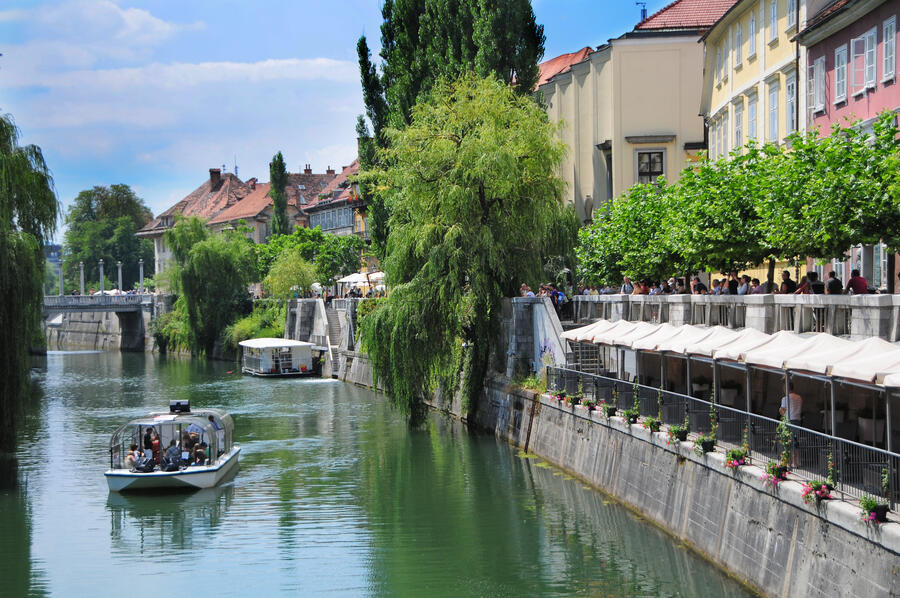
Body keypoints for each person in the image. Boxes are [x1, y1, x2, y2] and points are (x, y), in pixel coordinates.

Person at [779, 383, 803, 467]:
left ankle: (793, 462)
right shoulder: (799, 397)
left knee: (790, 441)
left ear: (786, 388)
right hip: (797, 420)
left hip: (789, 421)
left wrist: (780, 410)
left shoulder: (785, 398)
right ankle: (798, 461)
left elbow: (782, 412)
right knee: (796, 441)